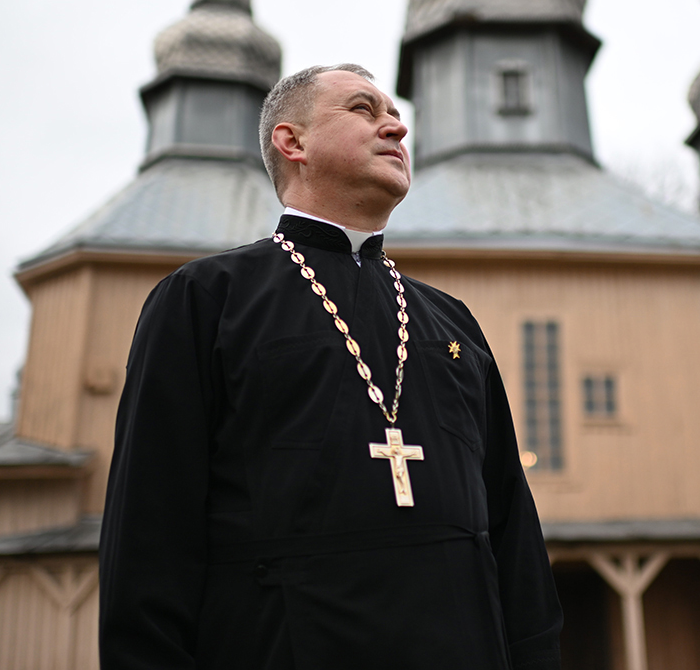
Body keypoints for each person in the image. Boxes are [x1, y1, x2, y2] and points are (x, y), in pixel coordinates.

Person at [99, 64, 563, 669]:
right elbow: (150, 530)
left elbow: (511, 522)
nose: (396, 127)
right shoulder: (206, 300)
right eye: (363, 110)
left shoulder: (453, 323)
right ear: (293, 143)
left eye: (396, 115)